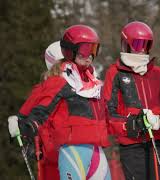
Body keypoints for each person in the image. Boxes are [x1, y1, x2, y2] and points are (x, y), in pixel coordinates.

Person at [8, 25, 111, 180]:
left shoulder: (95, 85)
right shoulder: (60, 81)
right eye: (84, 49)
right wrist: (27, 126)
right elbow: (42, 110)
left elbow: (110, 114)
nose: (89, 55)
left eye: (94, 49)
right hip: (73, 151)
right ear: (70, 50)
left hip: (97, 152)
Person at [103, 21, 160, 180]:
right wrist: (135, 123)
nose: (142, 48)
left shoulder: (157, 73)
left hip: (157, 140)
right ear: (126, 44)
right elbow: (109, 113)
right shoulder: (115, 73)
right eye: (137, 43)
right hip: (131, 144)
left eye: (146, 44)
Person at [8, 41, 63, 180]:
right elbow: (24, 116)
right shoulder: (46, 87)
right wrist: (22, 126)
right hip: (52, 151)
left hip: (60, 150)